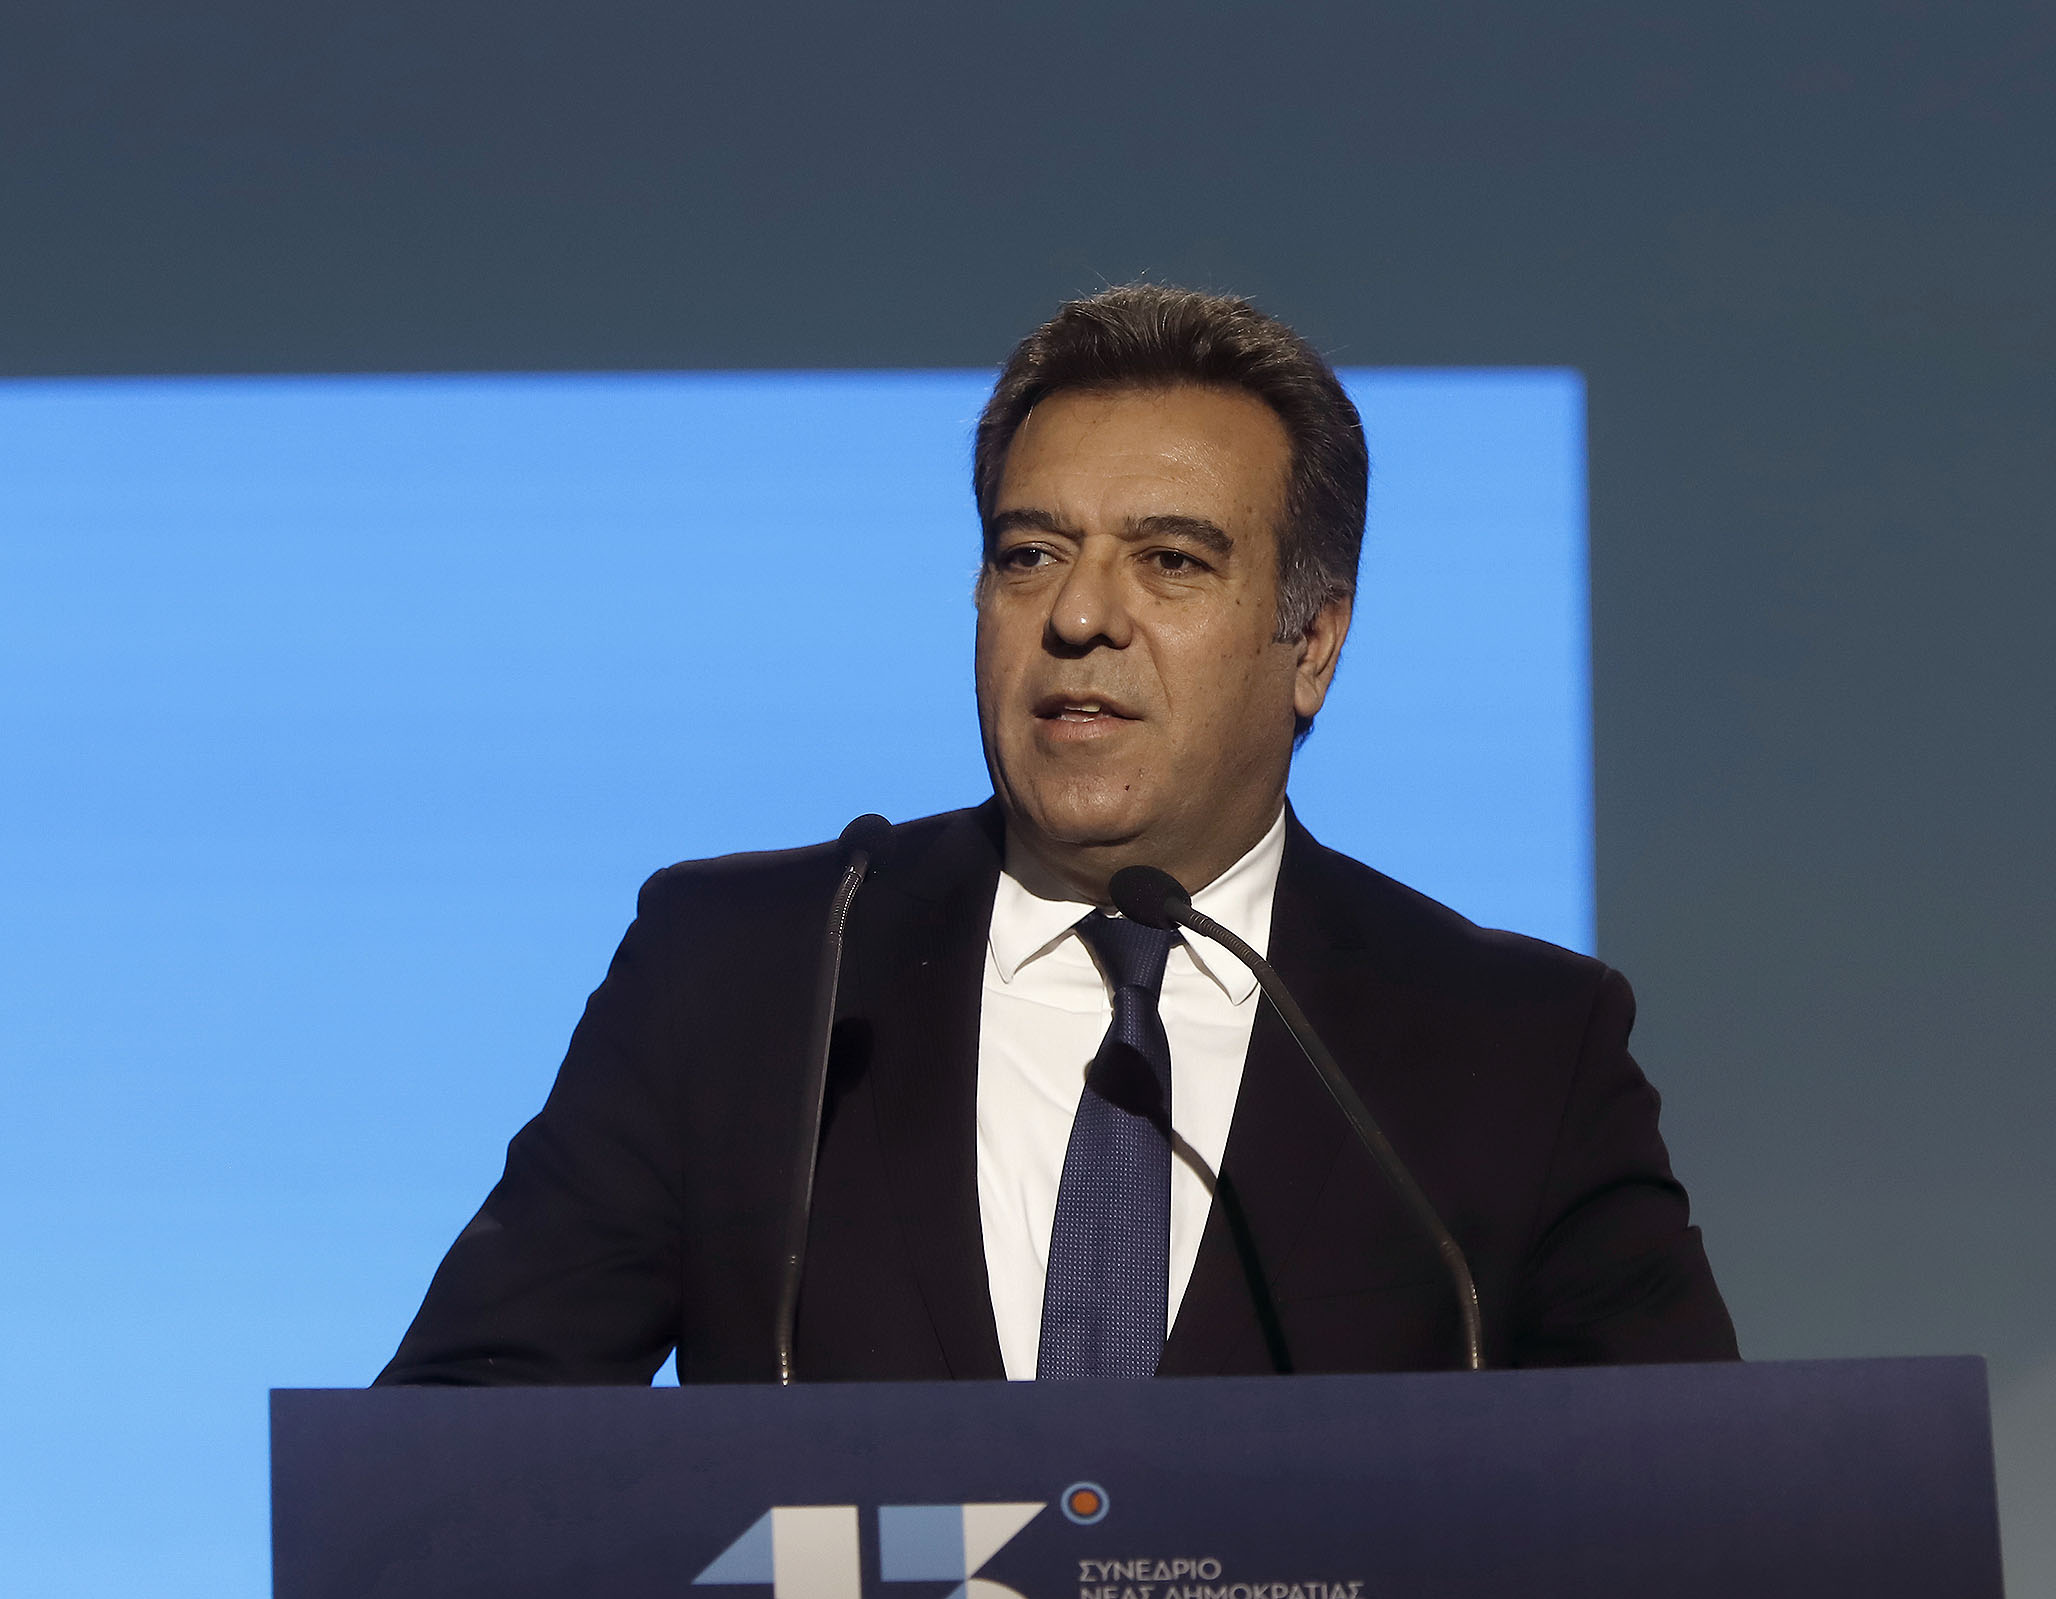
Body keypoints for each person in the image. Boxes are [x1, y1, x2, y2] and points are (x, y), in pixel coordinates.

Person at [379, 285, 1737, 1386]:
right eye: (1029, 554)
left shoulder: (1516, 1050)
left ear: (1313, 643)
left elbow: (1691, 1528)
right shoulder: (748, 978)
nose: (1079, 617)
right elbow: (454, 1463)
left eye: (1172, 560)